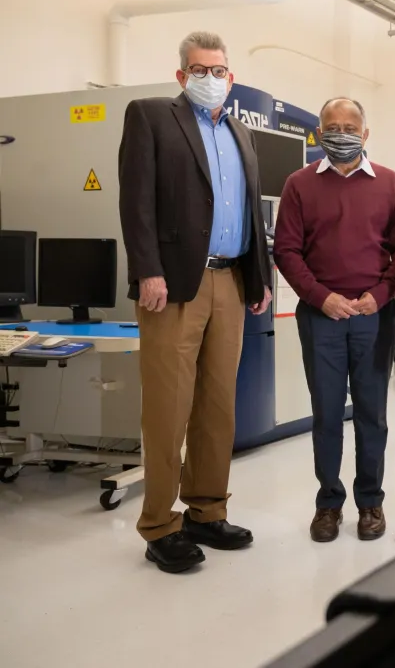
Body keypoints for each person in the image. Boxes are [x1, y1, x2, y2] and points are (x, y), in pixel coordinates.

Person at [118, 31, 272, 574]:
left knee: (216, 406)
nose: (213, 78)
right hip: (174, 285)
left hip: (230, 282)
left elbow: (252, 214)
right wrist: (147, 270)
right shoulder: (152, 116)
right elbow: (135, 201)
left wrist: (260, 278)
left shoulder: (240, 133)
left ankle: (207, 510)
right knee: (169, 407)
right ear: (182, 75)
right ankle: (160, 524)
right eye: (201, 70)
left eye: (221, 70)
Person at [274, 98, 395, 543]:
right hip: (321, 317)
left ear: (365, 134)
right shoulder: (298, 184)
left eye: (351, 126)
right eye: (332, 126)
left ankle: (371, 501)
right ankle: (328, 504)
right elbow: (286, 251)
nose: (342, 133)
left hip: (374, 317)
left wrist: (380, 296)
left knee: (372, 413)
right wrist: (321, 297)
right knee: (327, 414)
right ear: (318, 133)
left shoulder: (389, 184)